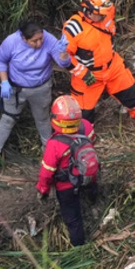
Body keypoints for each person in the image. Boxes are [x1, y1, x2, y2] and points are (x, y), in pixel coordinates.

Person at [62, 0, 135, 126]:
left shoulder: (107, 13)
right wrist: (83, 73)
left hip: (113, 67)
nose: (104, 16)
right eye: (100, 14)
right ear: (88, 11)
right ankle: (85, 135)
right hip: (88, 74)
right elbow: (63, 57)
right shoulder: (73, 28)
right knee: (84, 113)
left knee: (131, 94)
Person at [0, 19, 71, 176]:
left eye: (41, 39)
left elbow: (63, 64)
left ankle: (49, 153)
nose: (39, 43)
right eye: (34, 41)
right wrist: (4, 82)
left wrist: (63, 52)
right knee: (8, 119)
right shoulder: (11, 42)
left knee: (43, 119)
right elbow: (0, 61)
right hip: (16, 89)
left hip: (41, 88)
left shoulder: (48, 40)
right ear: (23, 38)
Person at [36, 96, 98, 247]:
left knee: (73, 218)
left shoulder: (54, 144)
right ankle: (94, 202)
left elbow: (46, 172)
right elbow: (91, 144)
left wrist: (43, 190)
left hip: (66, 187)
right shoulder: (87, 126)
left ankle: (79, 246)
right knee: (90, 191)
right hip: (88, 174)